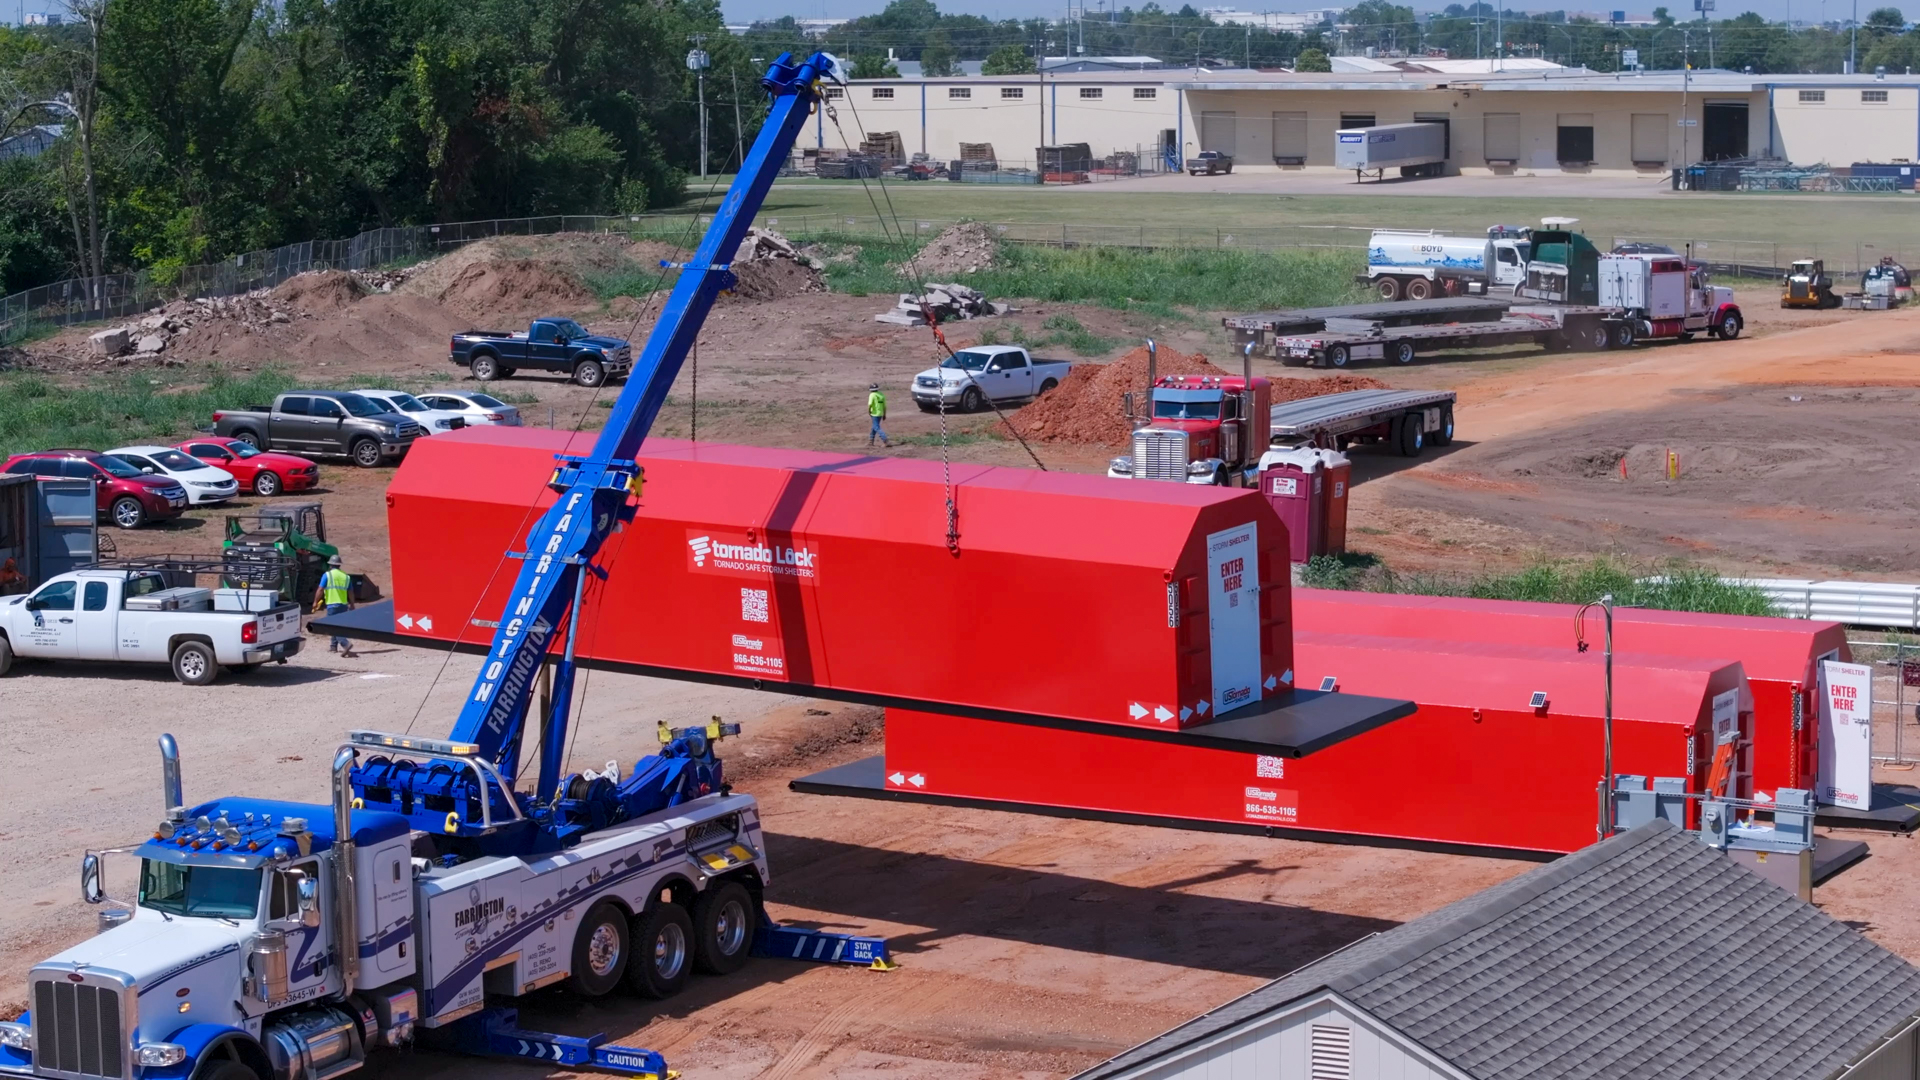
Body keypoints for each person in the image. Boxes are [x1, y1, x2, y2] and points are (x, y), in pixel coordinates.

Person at [319, 554, 356, 658]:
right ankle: (333, 646)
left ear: (330, 565)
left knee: (332, 627)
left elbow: (320, 589)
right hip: (343, 605)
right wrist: (352, 603)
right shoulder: (346, 576)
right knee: (337, 625)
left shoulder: (327, 575)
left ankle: (345, 644)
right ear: (339, 565)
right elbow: (350, 592)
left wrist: (315, 602)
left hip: (332, 605)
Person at [867, 382, 890, 448]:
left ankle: (885, 440)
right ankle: (871, 441)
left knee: (876, 427)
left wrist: (869, 411)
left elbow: (870, 404)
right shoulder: (881, 394)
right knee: (874, 427)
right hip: (880, 413)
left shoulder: (872, 395)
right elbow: (884, 406)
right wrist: (884, 414)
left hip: (874, 414)